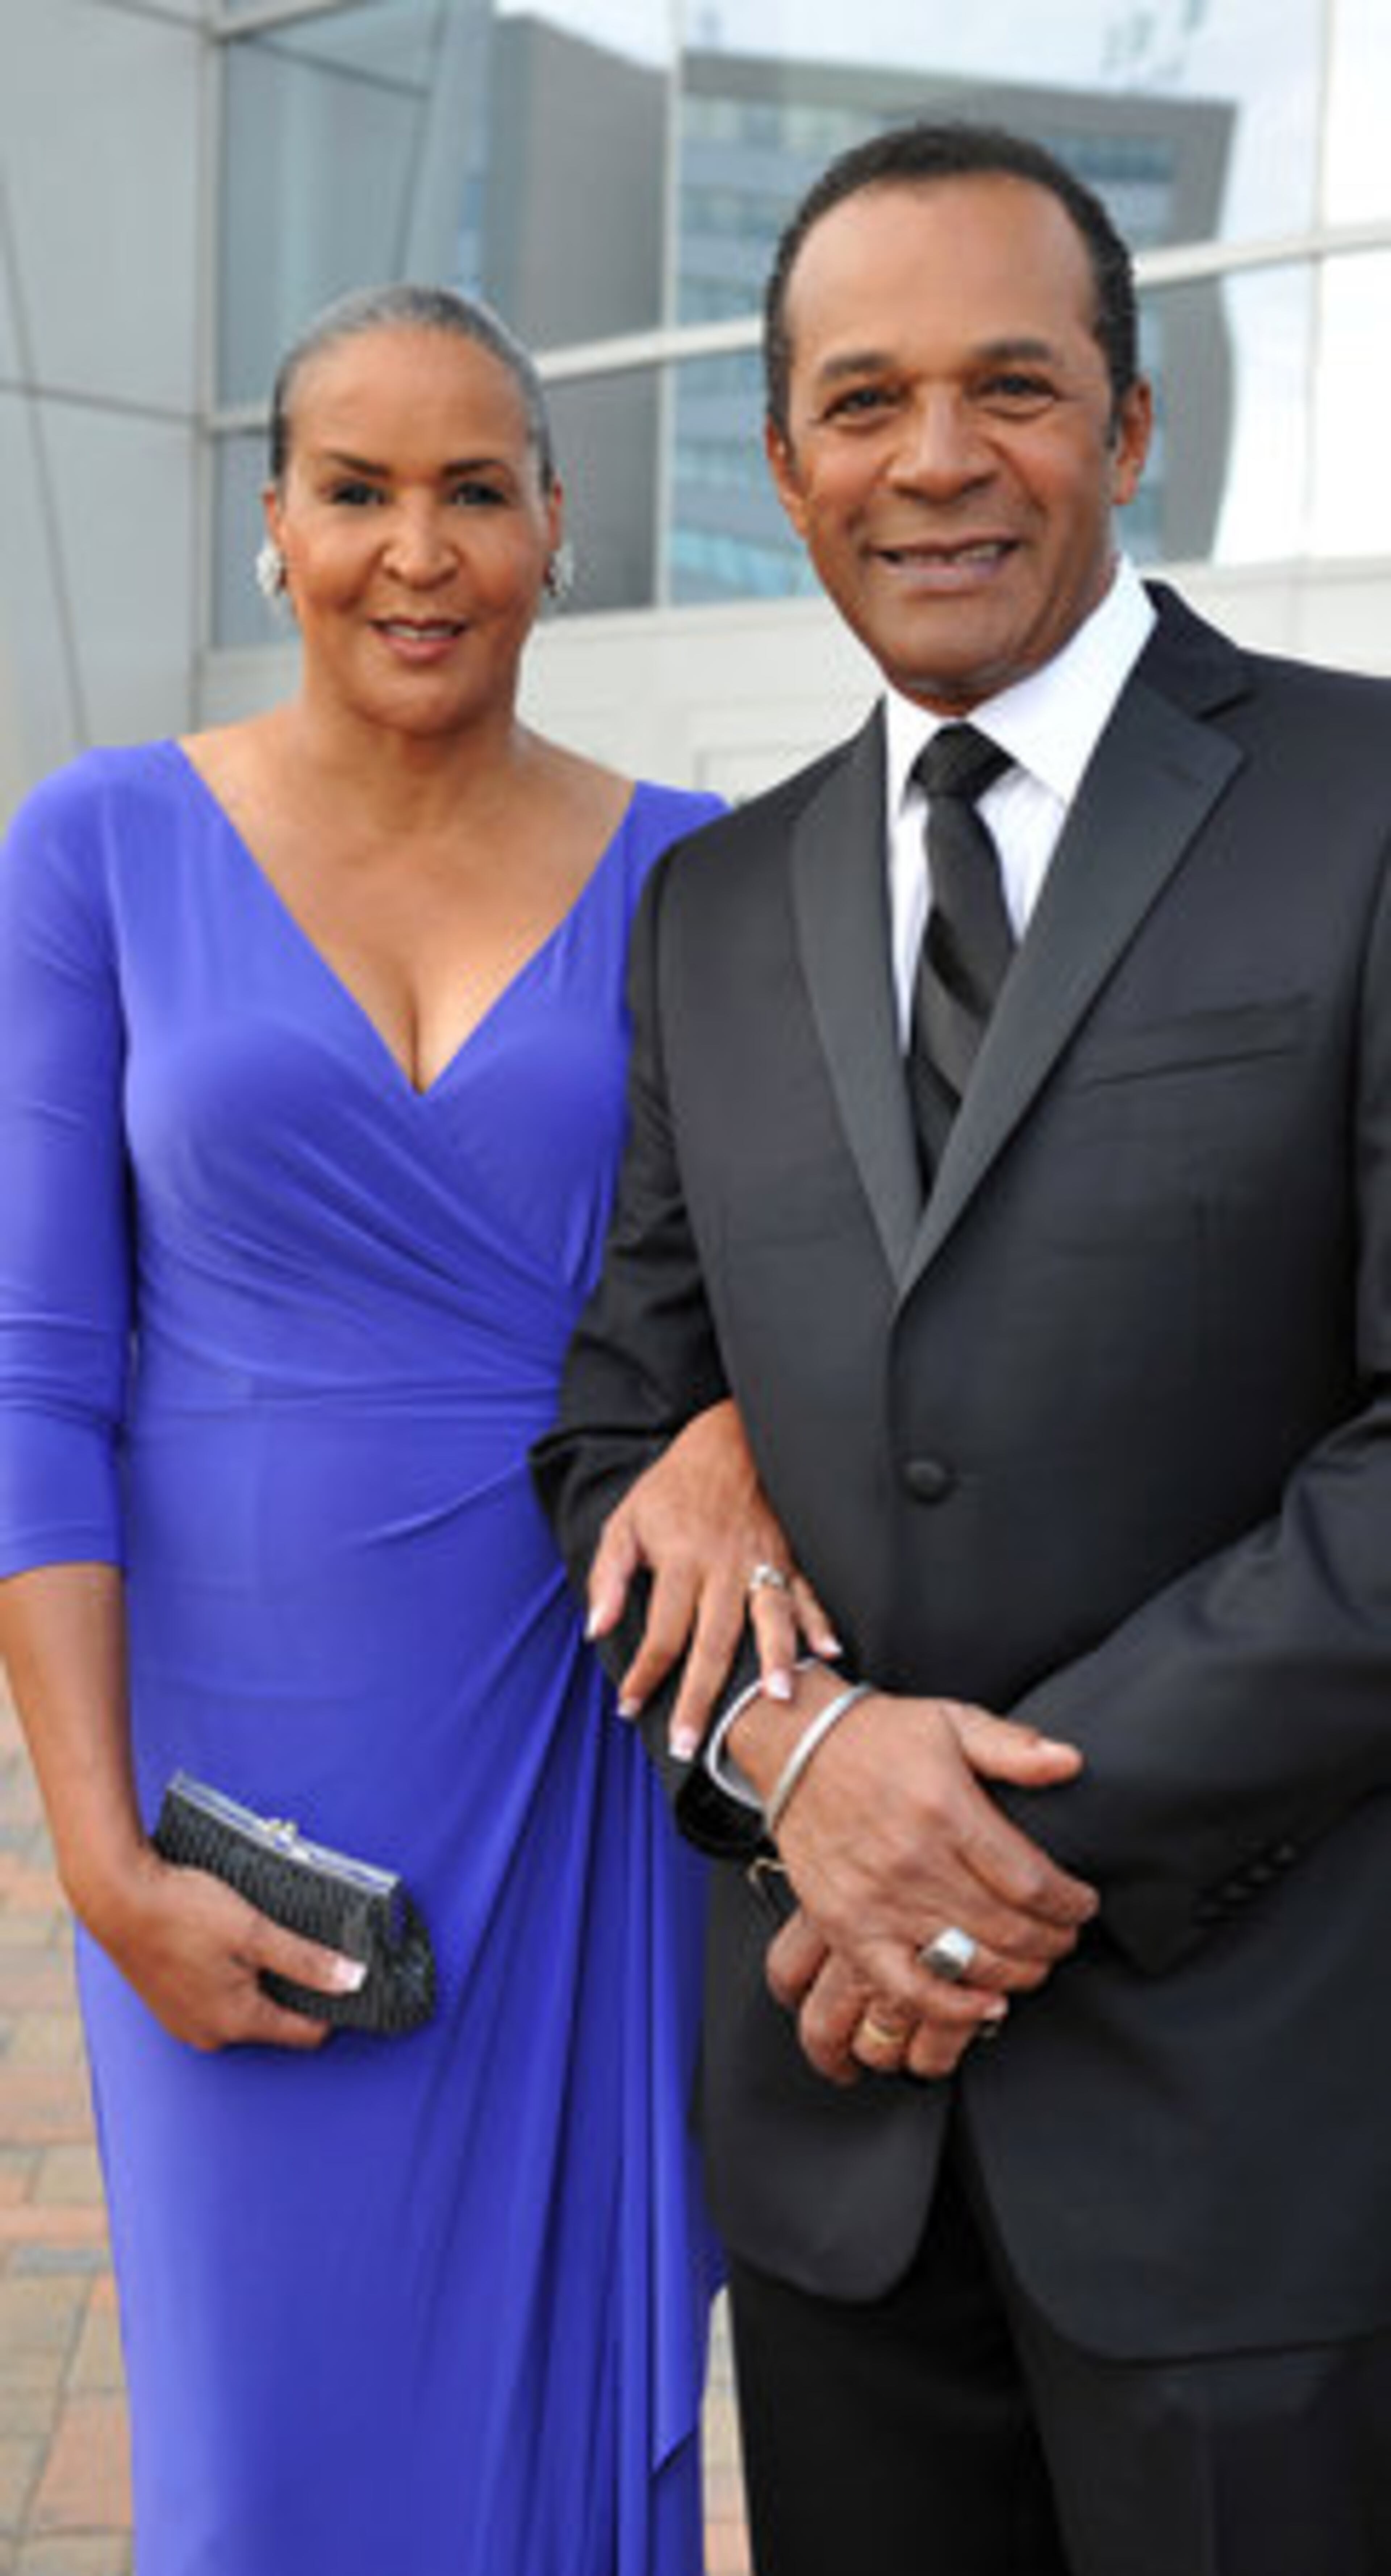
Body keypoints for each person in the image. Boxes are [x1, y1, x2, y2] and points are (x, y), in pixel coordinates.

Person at [536, 121, 1391, 2576]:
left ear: (1132, 424)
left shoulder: (1366, 801)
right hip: (843, 2160)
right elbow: (614, 1434)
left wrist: (965, 1846)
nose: (934, 458)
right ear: (783, 457)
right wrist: (798, 1751)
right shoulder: (711, 906)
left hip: (1260, 2135)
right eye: (862, 399)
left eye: (1011, 386)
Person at [0, 281, 821, 2576]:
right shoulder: (98, 846)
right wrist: (97, 1859)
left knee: (570, 2416)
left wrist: (743, 1422)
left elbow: (805, 1271)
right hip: (236, 1781)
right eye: (356, 490)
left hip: (590, 1732)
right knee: (262, 2453)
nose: (419, 549)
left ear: (562, 524)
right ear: (275, 526)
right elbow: (36, 1374)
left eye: (476, 490)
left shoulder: (703, 869)